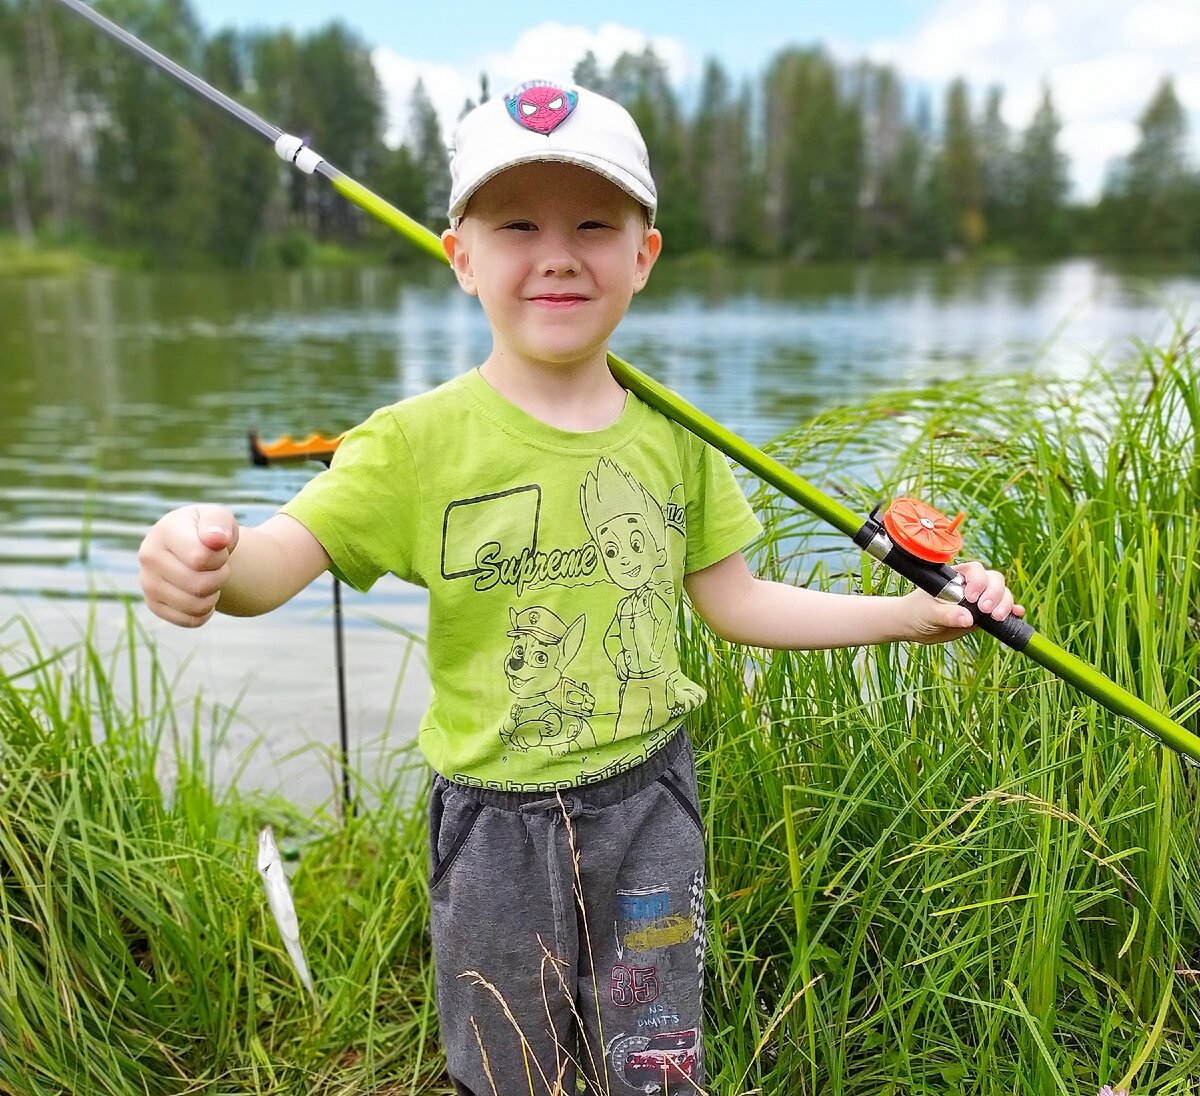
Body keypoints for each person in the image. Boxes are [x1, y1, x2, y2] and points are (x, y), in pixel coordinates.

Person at [138, 79, 1023, 1095]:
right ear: (459, 255)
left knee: (654, 1056)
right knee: (512, 1065)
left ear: (642, 257)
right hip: (493, 832)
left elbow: (737, 603)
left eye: (594, 224)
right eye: (516, 224)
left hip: (651, 809)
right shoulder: (412, 443)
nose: (557, 253)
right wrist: (208, 559)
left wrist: (910, 613)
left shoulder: (676, 436)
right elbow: (278, 562)